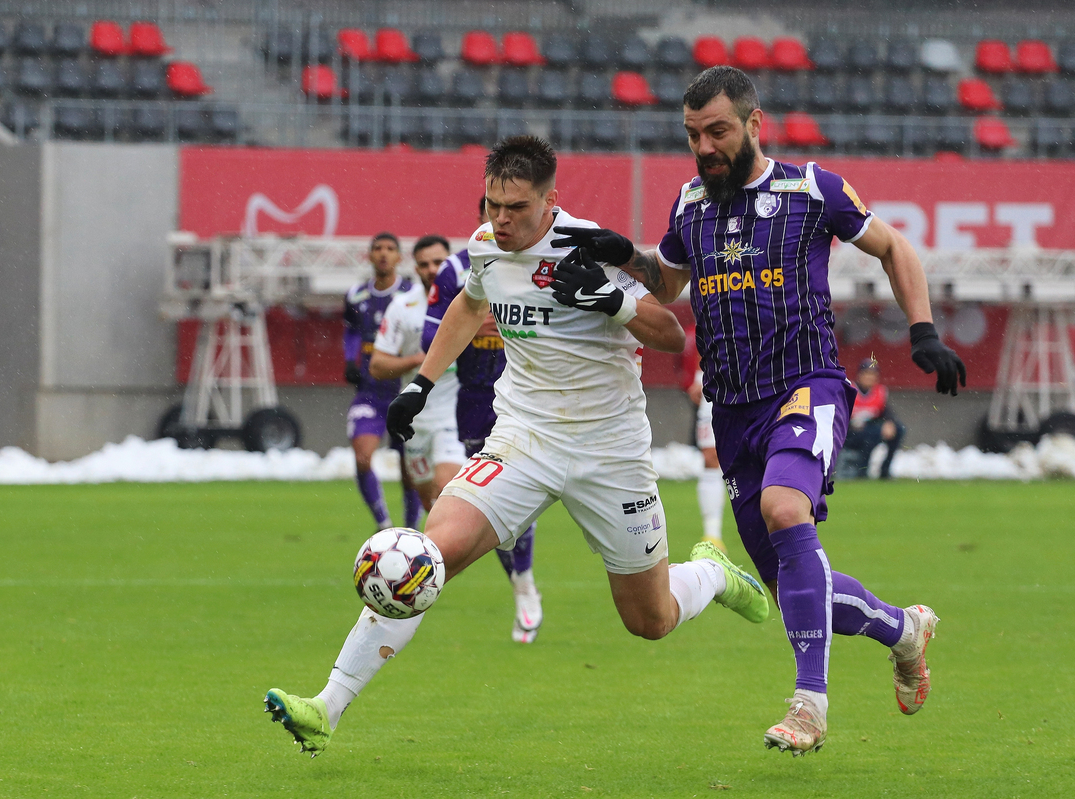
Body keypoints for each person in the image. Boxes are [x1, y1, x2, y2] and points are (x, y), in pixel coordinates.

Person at [265, 136, 769, 757]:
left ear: (551, 201)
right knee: (424, 559)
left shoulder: (590, 246)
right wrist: (421, 385)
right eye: (493, 204)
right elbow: (468, 306)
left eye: (517, 208)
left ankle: (712, 576)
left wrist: (611, 298)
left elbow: (670, 333)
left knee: (650, 620)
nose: (501, 220)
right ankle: (327, 706)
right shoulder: (484, 246)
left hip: (610, 451)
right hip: (522, 439)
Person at [552, 66, 967, 756]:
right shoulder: (691, 203)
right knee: (794, 588)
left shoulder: (810, 189)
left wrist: (922, 330)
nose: (704, 146)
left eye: (717, 130)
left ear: (753, 124)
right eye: (692, 135)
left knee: (784, 509)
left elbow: (893, 246)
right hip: (733, 409)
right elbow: (673, 281)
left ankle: (809, 704)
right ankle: (903, 630)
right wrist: (621, 257)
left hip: (807, 385)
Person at [422, 196, 543, 644]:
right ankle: (522, 582)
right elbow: (430, 335)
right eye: (493, 214)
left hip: (534, 398)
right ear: (481, 219)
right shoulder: (456, 270)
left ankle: (525, 584)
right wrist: (474, 327)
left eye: (510, 214)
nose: (501, 223)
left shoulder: (542, 262)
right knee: (494, 505)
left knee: (525, 495)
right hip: (477, 401)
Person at [370, 235, 465, 509]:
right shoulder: (402, 306)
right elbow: (377, 365)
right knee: (429, 500)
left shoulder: (468, 302)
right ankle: (437, 550)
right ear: (415, 268)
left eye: (439, 262)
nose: (432, 269)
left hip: (454, 414)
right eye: (424, 264)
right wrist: (421, 360)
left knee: (447, 489)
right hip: (416, 418)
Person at [342, 232, 423, 530]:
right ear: (369, 255)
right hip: (370, 393)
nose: (384, 254)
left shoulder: (412, 295)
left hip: (406, 393)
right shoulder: (357, 295)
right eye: (378, 248)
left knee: (409, 471)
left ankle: (411, 529)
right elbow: (351, 330)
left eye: (390, 249)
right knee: (363, 457)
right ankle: (383, 524)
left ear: (400, 257)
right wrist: (350, 359)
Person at [682, 328, 726, 551]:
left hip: (755, 384)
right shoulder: (712, 297)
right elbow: (706, 338)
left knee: (755, 457)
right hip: (715, 386)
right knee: (710, 457)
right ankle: (712, 534)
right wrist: (701, 377)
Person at [843, 358, 905, 480]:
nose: (869, 377)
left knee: (899, 429)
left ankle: (885, 471)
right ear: (859, 375)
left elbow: (886, 411)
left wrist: (890, 423)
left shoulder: (879, 391)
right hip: (850, 432)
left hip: (870, 430)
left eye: (873, 375)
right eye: (866, 374)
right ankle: (862, 472)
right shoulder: (849, 389)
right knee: (873, 433)